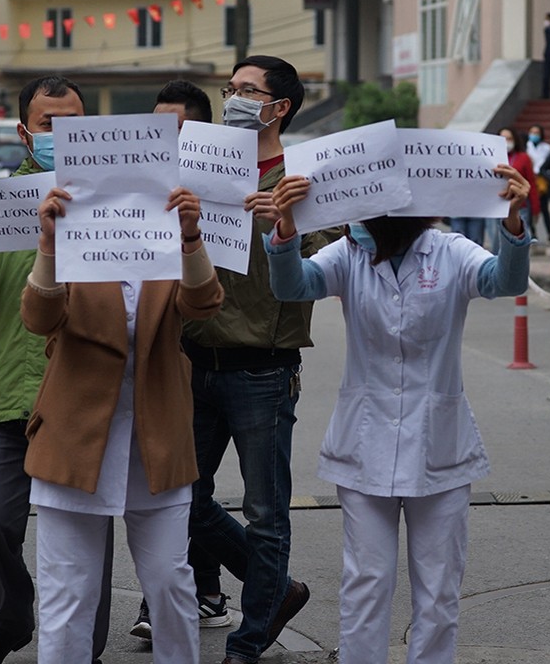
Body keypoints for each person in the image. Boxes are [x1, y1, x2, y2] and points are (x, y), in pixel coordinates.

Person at [264, 163, 532, 664]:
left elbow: (503, 281)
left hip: (440, 447)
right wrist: (284, 231)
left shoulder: (449, 251)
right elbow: (294, 286)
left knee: (438, 590)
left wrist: (513, 224)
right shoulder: (349, 255)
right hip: (364, 448)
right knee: (365, 583)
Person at [0, 76, 114, 664]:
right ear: (24, 132)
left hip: (84, 400)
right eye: (47, 125)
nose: (60, 135)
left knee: (88, 542)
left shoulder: (117, 205)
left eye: (72, 124)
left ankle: (83, 650)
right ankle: (12, 617)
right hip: (7, 400)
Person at [23, 182, 224, 664]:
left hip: (157, 437)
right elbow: (38, 316)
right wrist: (49, 245)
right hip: (75, 437)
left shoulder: (168, 235)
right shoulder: (73, 232)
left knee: (172, 585)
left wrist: (191, 238)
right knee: (68, 592)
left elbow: (204, 304)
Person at [185, 55, 337, 664]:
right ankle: (277, 589)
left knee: (266, 511)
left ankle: (247, 642)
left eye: (248, 91)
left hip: (263, 367)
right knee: (181, 500)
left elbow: (328, 263)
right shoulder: (201, 164)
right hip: (193, 357)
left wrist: (289, 225)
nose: (234, 98)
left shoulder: (302, 174)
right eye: (230, 88)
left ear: (281, 107)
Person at [128, 79, 220, 642]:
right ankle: (185, 595)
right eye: (158, 128)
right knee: (184, 492)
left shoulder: (230, 182)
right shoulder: (131, 193)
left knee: (194, 492)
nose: (168, 140)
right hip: (172, 362)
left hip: (239, 354)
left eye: (178, 129)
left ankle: (252, 591)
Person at [488, 128, 539, 251]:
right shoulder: (491, 157)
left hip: (520, 207)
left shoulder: (523, 158)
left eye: (509, 139)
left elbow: (531, 182)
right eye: (503, 139)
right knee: (498, 243)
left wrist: (536, 208)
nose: (506, 142)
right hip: (497, 206)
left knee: (517, 242)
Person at [526, 124, 550, 242]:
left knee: (544, 208)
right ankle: (532, 233)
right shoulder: (526, 146)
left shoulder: (547, 148)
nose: (534, 135)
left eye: (537, 133)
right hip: (528, 179)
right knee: (530, 208)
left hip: (542, 179)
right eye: (532, 132)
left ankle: (549, 234)